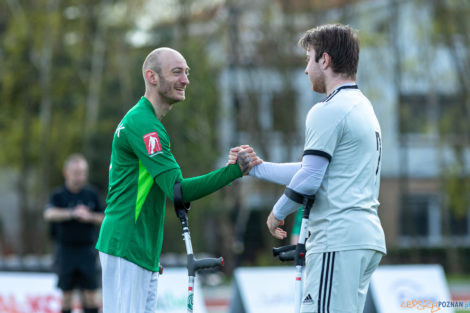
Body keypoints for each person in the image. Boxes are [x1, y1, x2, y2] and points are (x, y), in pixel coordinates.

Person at [95, 47, 261, 313]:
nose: (185, 79)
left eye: (186, 72)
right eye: (176, 72)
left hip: (139, 249)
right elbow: (178, 191)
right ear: (152, 76)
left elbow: (167, 190)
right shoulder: (144, 125)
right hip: (126, 245)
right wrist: (233, 171)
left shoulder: (149, 122)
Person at [236, 24, 387, 313]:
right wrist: (258, 169)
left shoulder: (328, 109)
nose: (306, 69)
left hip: (337, 238)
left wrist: (276, 213)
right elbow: (313, 168)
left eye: (308, 58)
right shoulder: (362, 105)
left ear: (325, 60)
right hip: (362, 238)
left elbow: (310, 177)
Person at [44, 154, 104, 313]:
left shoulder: (91, 194)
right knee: (66, 297)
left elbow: (105, 218)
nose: (80, 177)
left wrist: (89, 216)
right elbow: (49, 214)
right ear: (67, 172)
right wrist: (72, 213)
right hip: (65, 251)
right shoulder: (58, 195)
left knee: (91, 295)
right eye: (76, 172)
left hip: (88, 251)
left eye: (83, 172)